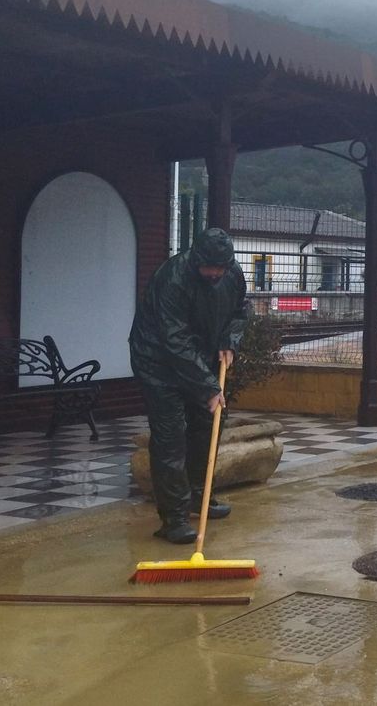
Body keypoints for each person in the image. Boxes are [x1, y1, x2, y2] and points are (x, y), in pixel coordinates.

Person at [128, 227, 248, 544]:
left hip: (200, 358)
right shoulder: (173, 279)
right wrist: (208, 386)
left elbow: (240, 311)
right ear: (196, 259)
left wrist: (230, 340)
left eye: (221, 268)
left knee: (208, 426)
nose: (215, 274)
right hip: (158, 362)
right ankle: (174, 519)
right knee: (170, 437)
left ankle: (199, 496)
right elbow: (175, 340)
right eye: (210, 267)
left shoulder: (233, 274)